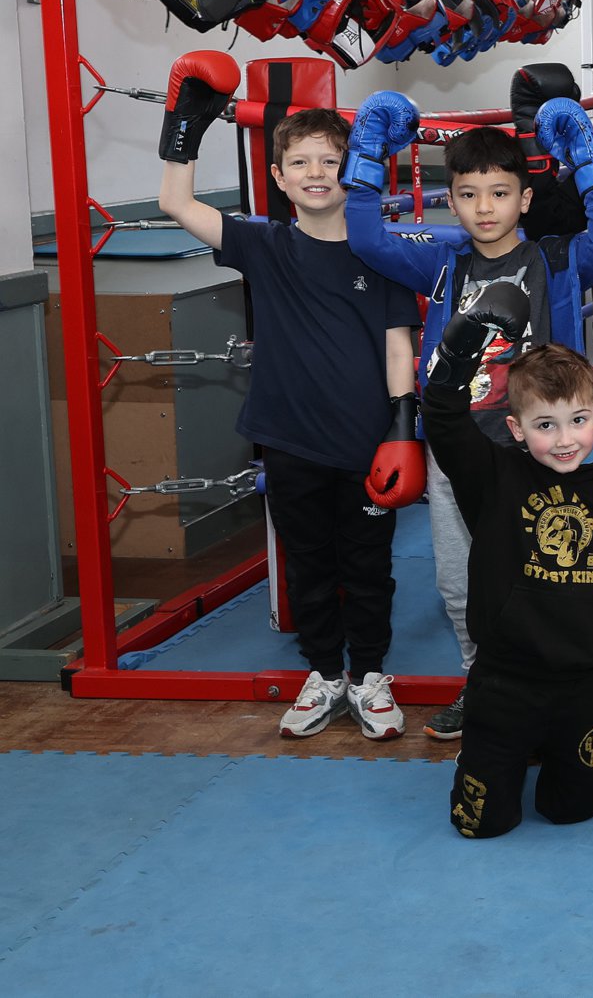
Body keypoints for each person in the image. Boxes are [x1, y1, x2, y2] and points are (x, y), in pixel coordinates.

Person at [344, 93, 593, 740]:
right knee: (458, 581)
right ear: (453, 200)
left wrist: (585, 159)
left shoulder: (554, 262)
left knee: (550, 574)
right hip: (459, 453)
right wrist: (366, 155)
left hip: (538, 452)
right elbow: (364, 236)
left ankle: (562, 687)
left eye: (499, 194)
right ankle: (484, 684)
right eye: (469, 195)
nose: (484, 209)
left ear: (524, 199)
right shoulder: (444, 263)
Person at [156, 53, 417, 741]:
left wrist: (403, 426)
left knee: (367, 566)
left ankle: (369, 676)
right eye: (299, 163)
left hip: (368, 442)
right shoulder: (263, 244)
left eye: (330, 160)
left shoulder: (380, 252)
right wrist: (186, 126)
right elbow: (175, 204)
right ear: (277, 178)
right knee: (308, 563)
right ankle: (325, 672)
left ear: (356, 170)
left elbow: (398, 345)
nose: (315, 173)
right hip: (290, 435)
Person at [424, 288, 593, 839]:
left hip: (584, 684)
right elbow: (445, 422)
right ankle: (486, 755)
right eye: (545, 425)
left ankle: (553, 756)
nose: (565, 440)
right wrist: (460, 352)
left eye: (576, 421)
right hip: (505, 681)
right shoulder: (495, 478)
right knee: (478, 823)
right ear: (518, 429)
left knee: (573, 810)